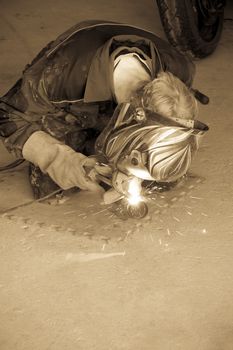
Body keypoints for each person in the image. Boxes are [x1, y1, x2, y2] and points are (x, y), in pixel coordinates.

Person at [0, 20, 208, 200]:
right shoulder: (60, 75)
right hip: (71, 100)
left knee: (162, 177)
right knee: (55, 186)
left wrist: (132, 172)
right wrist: (60, 159)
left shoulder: (180, 68)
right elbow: (7, 113)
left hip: (122, 106)